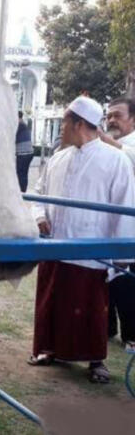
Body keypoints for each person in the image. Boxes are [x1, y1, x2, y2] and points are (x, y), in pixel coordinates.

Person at [29, 95, 135, 384]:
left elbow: (124, 205)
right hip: (54, 246)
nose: (61, 128)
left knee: (91, 310)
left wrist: (121, 250)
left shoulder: (116, 160)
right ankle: (47, 350)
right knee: (51, 304)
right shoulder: (59, 157)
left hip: (91, 252)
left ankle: (95, 361)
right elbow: (38, 192)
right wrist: (39, 217)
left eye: (64, 121)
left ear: (78, 124)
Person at [98, 97, 135, 352]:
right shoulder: (107, 147)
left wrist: (102, 139)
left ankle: (131, 335)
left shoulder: (126, 147)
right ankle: (106, 328)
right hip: (106, 222)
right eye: (108, 115)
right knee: (105, 277)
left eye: (117, 115)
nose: (111, 120)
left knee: (127, 281)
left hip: (130, 224)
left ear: (133, 119)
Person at [15, 111, 34, 192]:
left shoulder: (18, 125)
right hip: (29, 153)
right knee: (24, 174)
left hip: (23, 153)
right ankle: (23, 192)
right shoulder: (24, 124)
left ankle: (22, 192)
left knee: (20, 174)